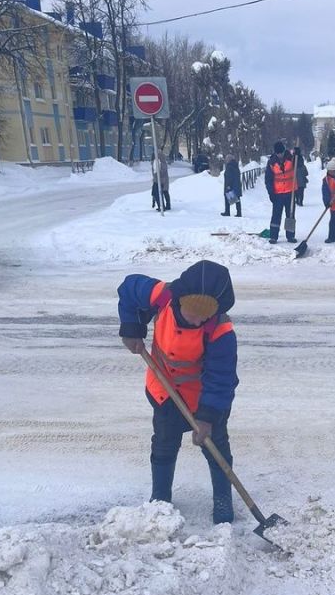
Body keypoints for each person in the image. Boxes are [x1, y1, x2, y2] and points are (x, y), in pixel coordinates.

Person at [118, 260, 239, 525]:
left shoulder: (220, 331)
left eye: (203, 317)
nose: (196, 320)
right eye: (191, 313)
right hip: (164, 389)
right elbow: (128, 289)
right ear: (179, 299)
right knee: (164, 442)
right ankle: (160, 498)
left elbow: (221, 379)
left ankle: (222, 498)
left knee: (215, 445)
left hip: (204, 397)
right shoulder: (162, 296)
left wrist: (207, 417)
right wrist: (131, 329)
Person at [265, 141, 297, 244]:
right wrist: (271, 193)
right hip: (277, 194)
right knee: (276, 215)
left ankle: (290, 236)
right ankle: (273, 236)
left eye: (281, 153)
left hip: (290, 193)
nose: (280, 155)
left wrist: (299, 155)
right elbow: (268, 179)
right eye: (278, 153)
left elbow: (299, 165)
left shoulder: (291, 158)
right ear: (275, 153)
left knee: (290, 215)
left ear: (284, 151)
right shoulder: (271, 162)